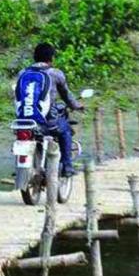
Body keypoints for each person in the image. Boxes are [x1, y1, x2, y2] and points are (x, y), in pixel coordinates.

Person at [15, 43, 85, 177]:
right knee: (65, 131)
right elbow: (66, 95)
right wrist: (77, 106)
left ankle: (22, 167)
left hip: (24, 122)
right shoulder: (55, 73)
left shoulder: (22, 73)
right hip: (48, 123)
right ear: (51, 58)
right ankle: (67, 166)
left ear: (35, 57)